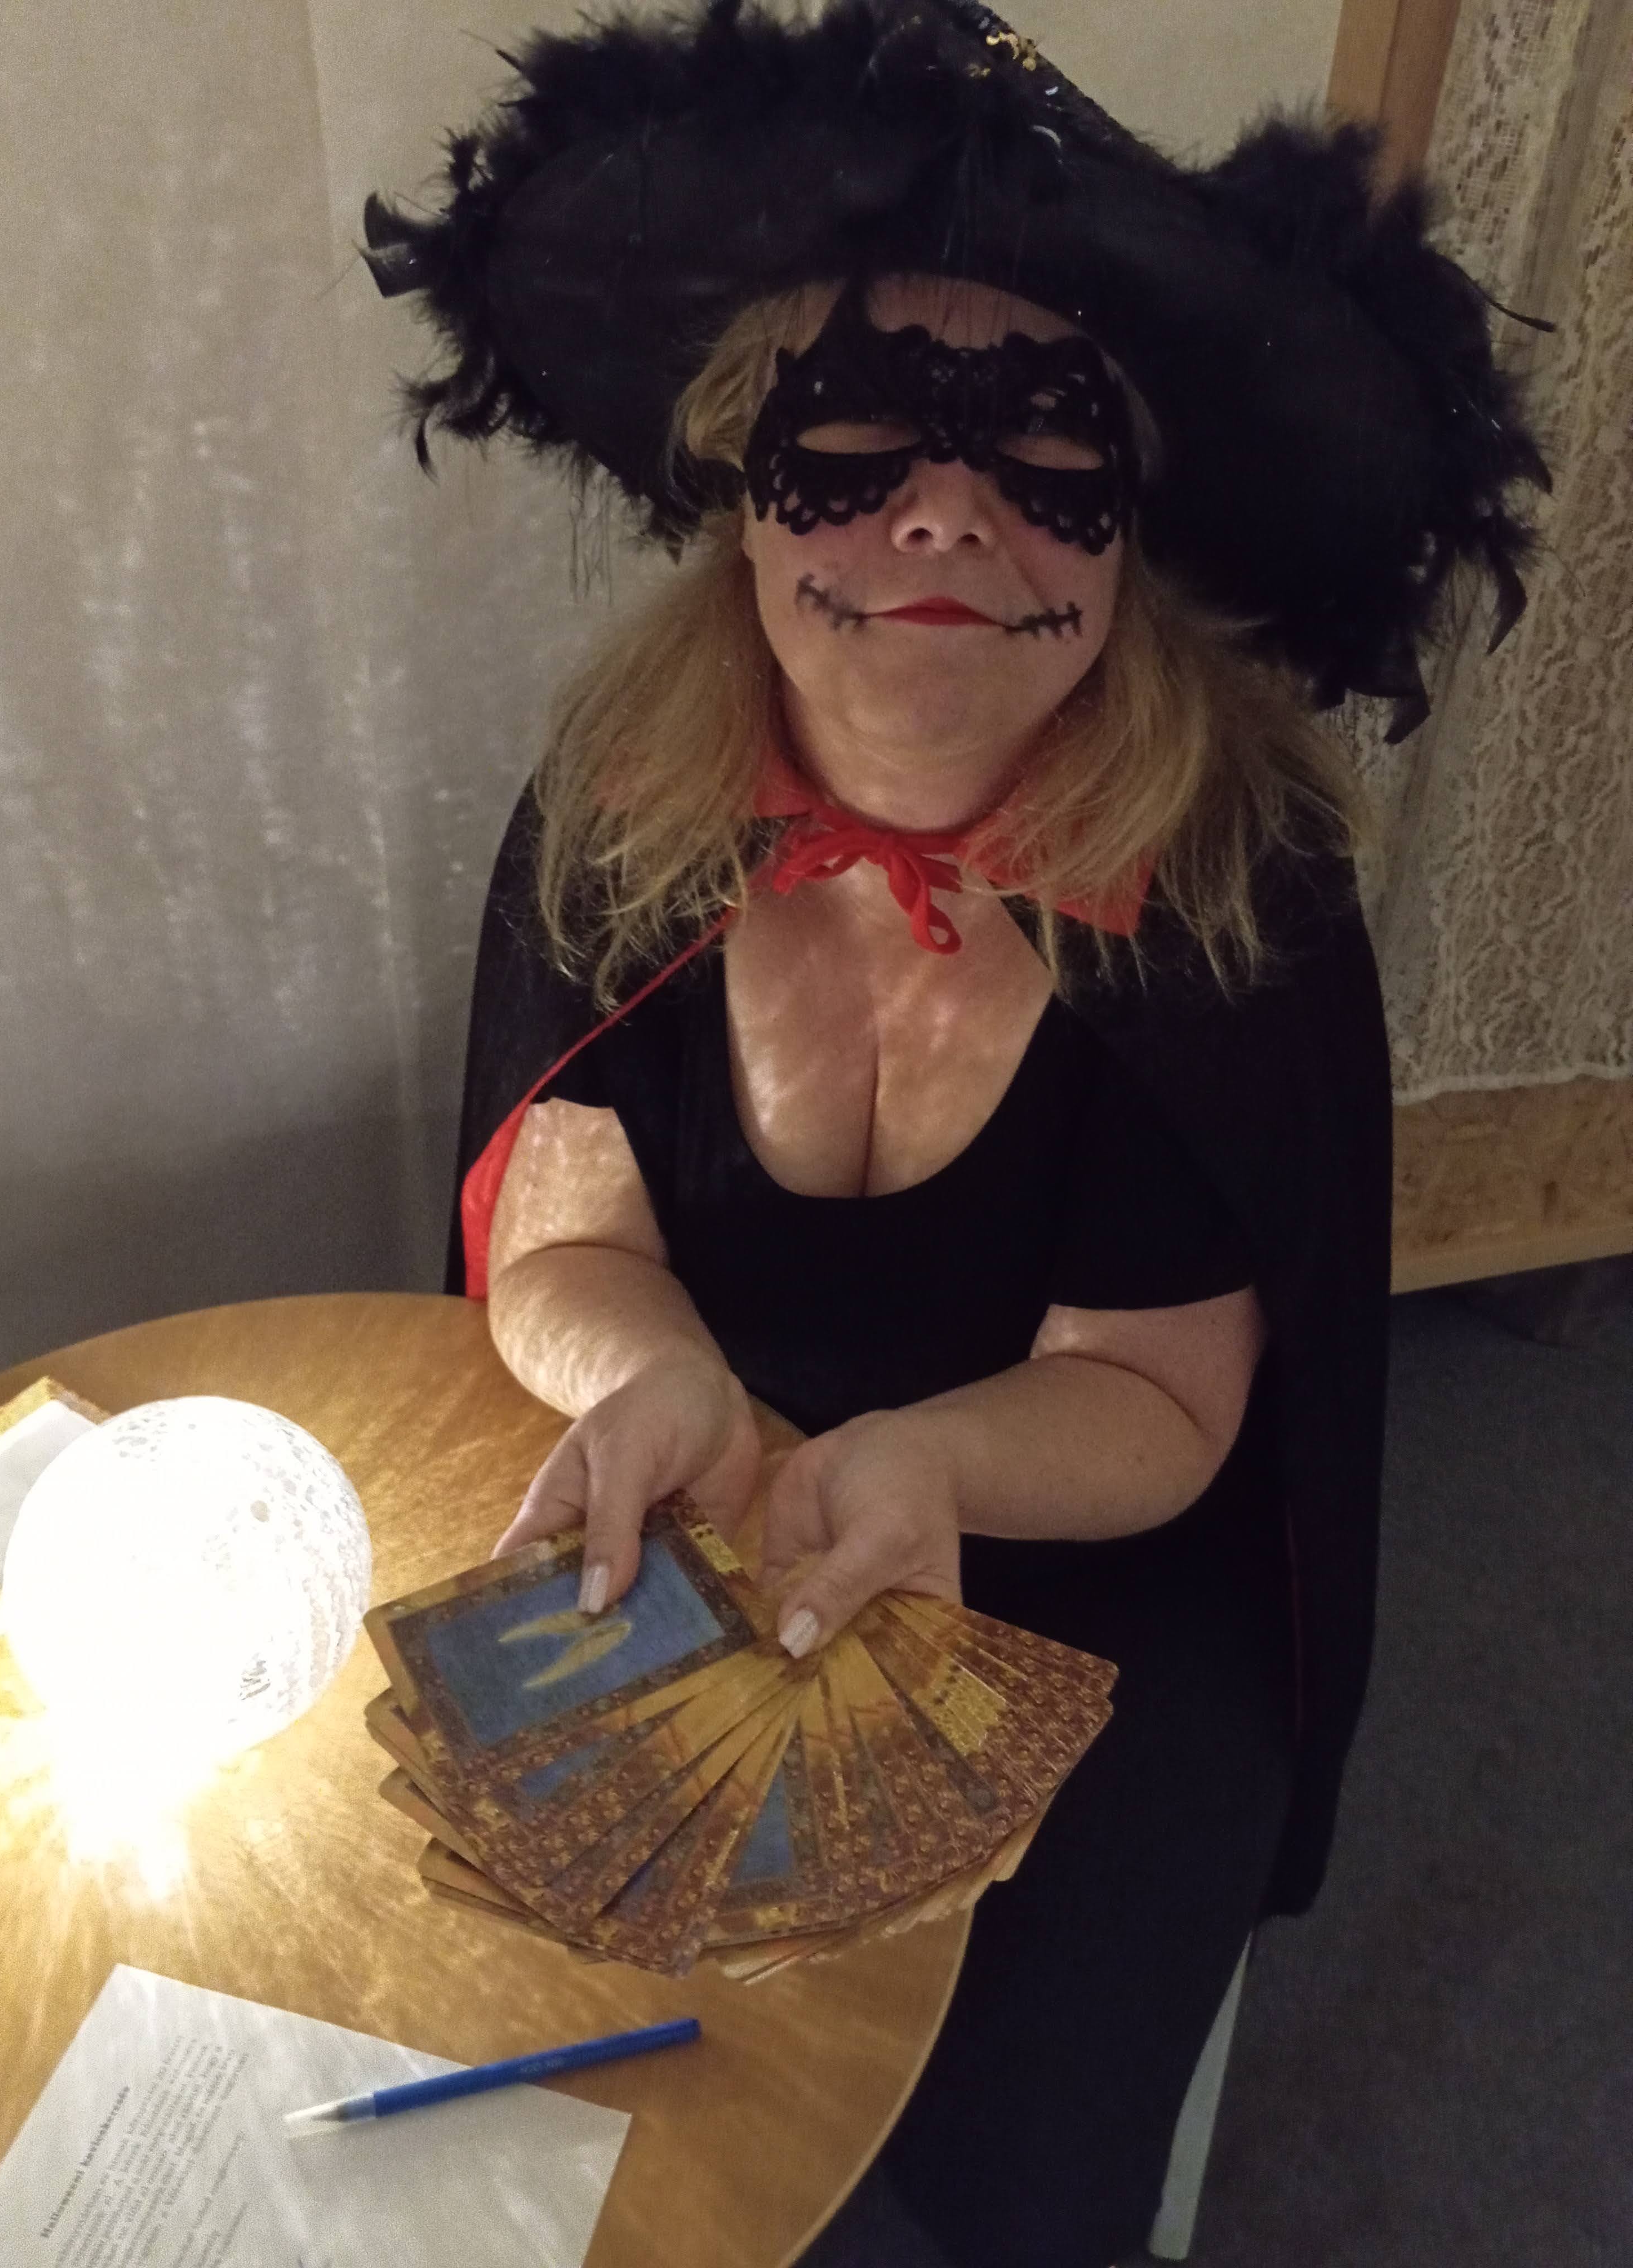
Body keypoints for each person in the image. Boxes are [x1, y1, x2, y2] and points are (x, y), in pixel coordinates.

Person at [362, 5, 1547, 2261]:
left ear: (1130, 533)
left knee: (1021, 2132)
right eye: (858, 438)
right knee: (540, 2010)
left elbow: (1157, 1396)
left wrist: (921, 1466)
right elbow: (566, 1234)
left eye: (1044, 451)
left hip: (1087, 1540)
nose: (942, 512)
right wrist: (661, 1379)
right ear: (744, 487)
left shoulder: (1230, 894)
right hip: (703, 1485)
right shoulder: (617, 814)